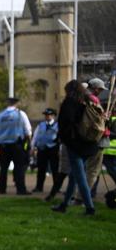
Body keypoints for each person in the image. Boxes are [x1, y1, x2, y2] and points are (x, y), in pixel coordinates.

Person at [52, 81, 97, 215]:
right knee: (74, 175)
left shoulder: (69, 103)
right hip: (89, 143)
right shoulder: (88, 101)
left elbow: (65, 123)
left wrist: (63, 138)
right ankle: (64, 204)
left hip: (76, 144)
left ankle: (90, 207)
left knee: (80, 177)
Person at [0, 97, 31, 195]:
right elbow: (27, 130)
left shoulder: (0, 115)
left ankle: (2, 189)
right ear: (17, 103)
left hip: (3, 145)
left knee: (3, 168)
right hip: (17, 144)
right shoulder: (20, 114)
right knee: (19, 167)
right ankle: (20, 189)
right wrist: (28, 142)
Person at [31, 108, 59, 193]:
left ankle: (56, 188)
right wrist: (33, 147)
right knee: (41, 169)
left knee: (55, 169)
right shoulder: (41, 125)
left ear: (53, 116)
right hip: (42, 148)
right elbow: (35, 136)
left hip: (53, 149)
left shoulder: (57, 125)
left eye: (49, 115)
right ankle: (39, 187)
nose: (47, 116)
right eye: (46, 115)